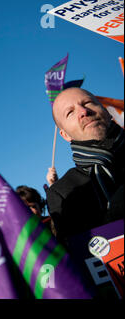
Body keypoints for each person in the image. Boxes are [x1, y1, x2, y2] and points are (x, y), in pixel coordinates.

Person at [46, 88, 124, 244]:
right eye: (70, 112)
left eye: (88, 103)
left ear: (106, 111)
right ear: (65, 135)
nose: (83, 111)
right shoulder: (62, 193)